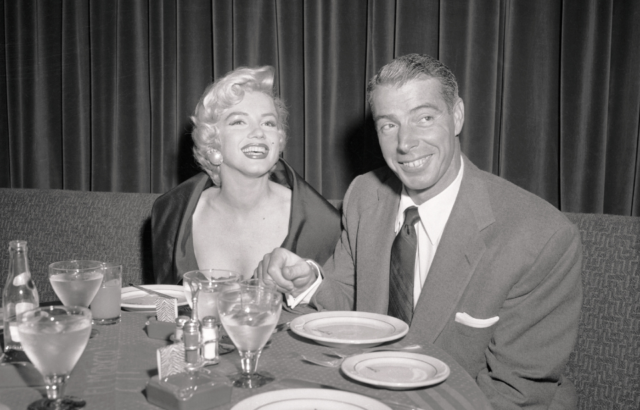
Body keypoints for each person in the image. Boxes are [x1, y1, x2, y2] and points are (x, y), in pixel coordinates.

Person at [257, 54, 583, 409]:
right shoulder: (365, 195)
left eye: (424, 118)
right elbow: (349, 304)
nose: (405, 143)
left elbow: (515, 392)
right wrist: (308, 283)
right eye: (389, 125)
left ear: (456, 115)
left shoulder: (540, 236)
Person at [152, 66, 341, 284]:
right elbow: (165, 308)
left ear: (278, 140)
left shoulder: (321, 222)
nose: (259, 132)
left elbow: (335, 306)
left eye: (268, 123)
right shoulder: (171, 214)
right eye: (239, 121)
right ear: (213, 141)